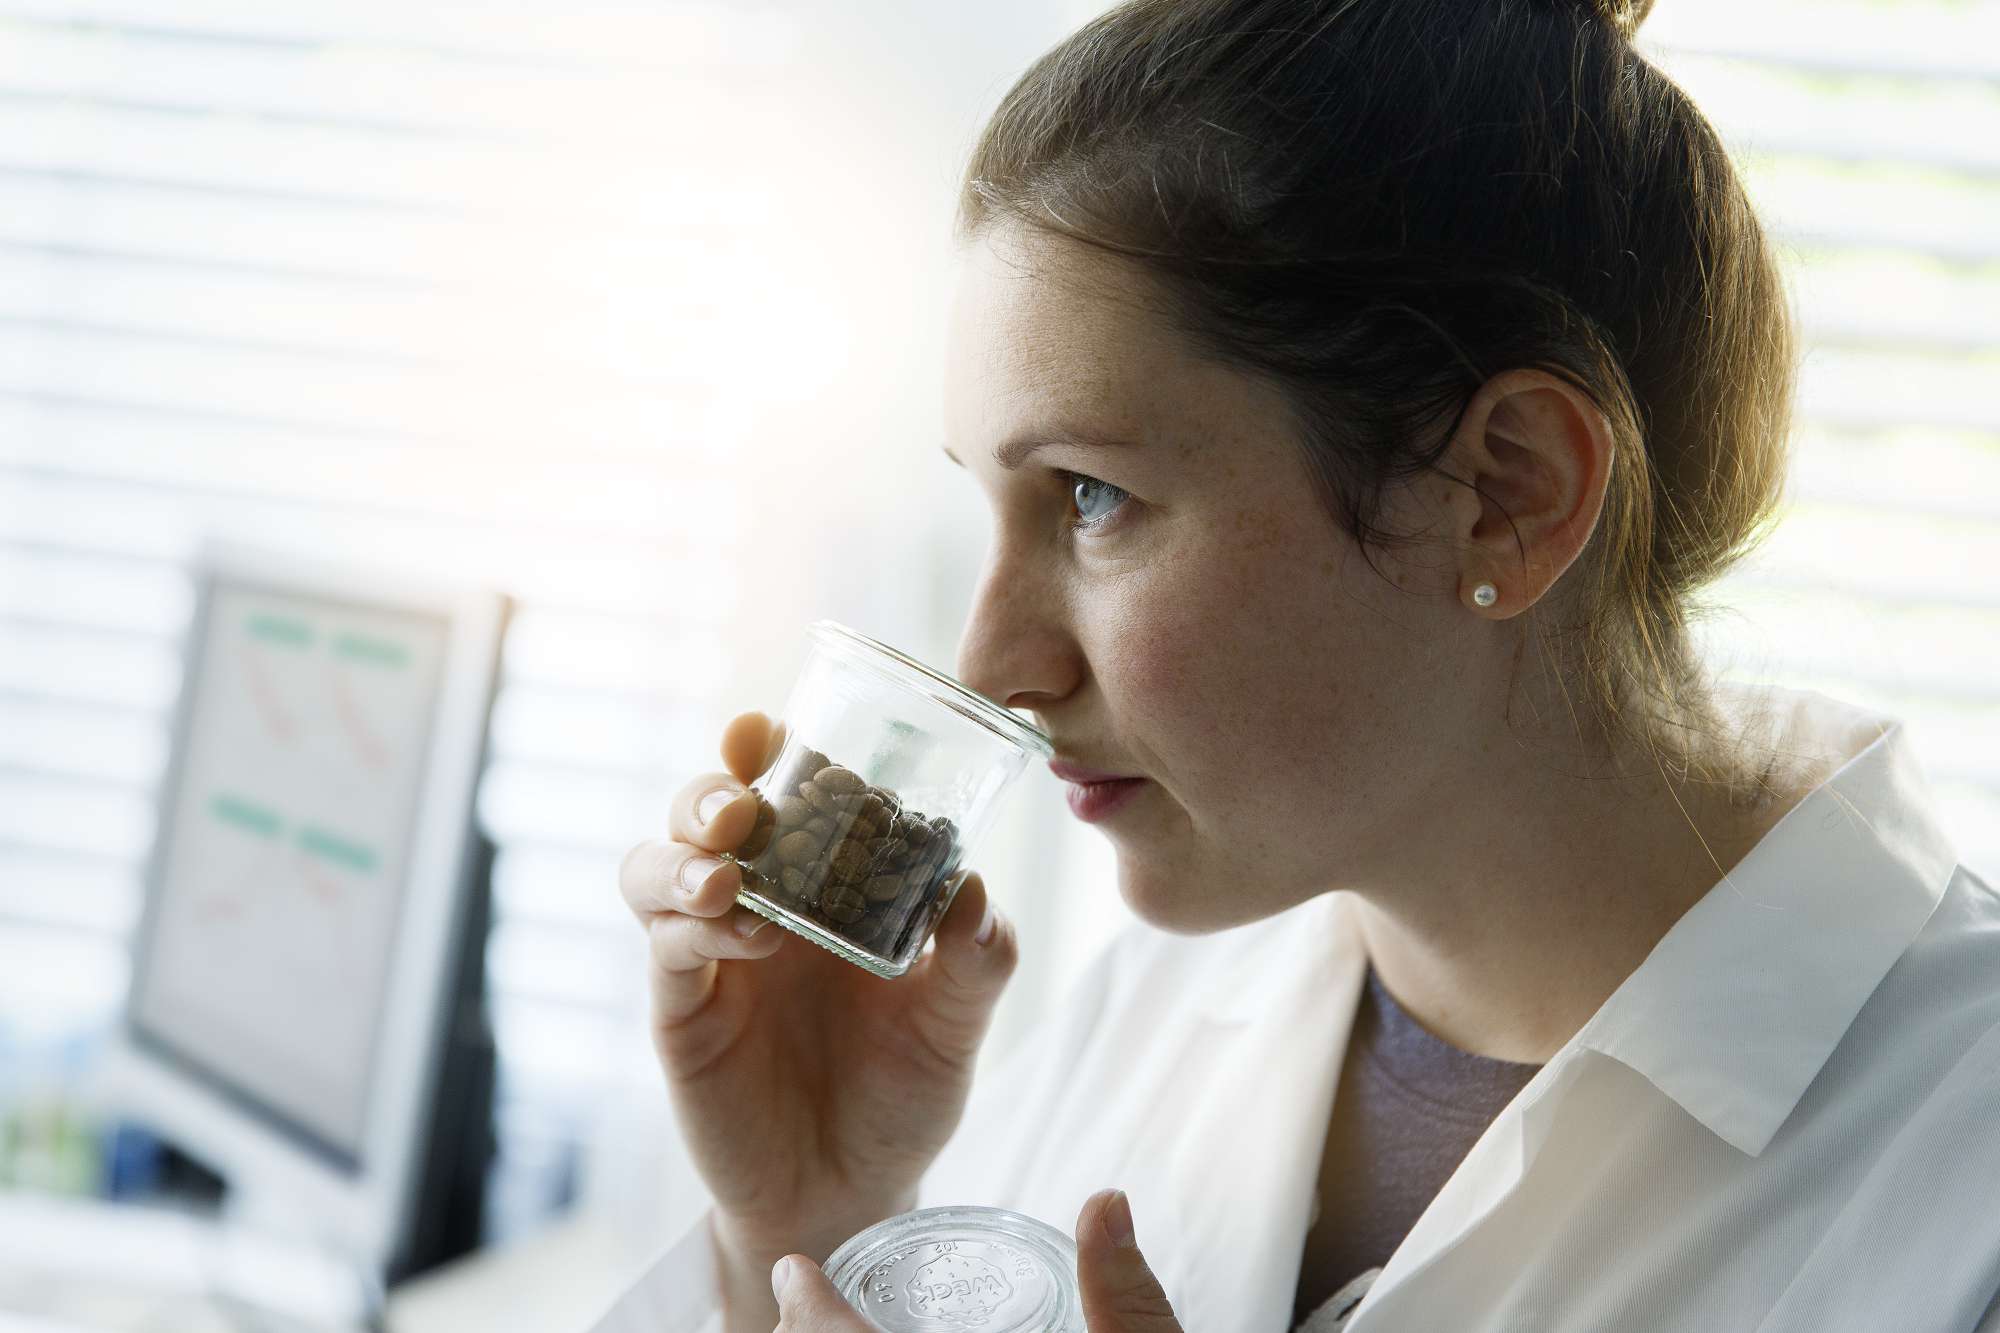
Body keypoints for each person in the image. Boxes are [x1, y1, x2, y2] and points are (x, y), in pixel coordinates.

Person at [593, 0, 2000, 1328]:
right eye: (994, 502)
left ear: (1506, 491)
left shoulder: (1963, 1181)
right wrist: (808, 1229)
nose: (991, 662)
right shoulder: (1129, 1018)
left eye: (1090, 495)